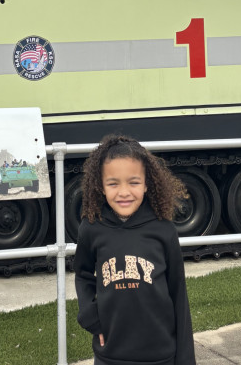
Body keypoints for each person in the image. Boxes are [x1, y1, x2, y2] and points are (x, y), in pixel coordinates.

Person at [74, 135, 196, 365]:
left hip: (160, 356)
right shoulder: (91, 228)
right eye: (113, 183)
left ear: (146, 184)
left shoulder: (163, 230)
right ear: (100, 186)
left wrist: (185, 359)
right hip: (110, 355)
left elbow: (179, 294)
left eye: (134, 182)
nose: (124, 192)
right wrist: (89, 315)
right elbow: (82, 275)